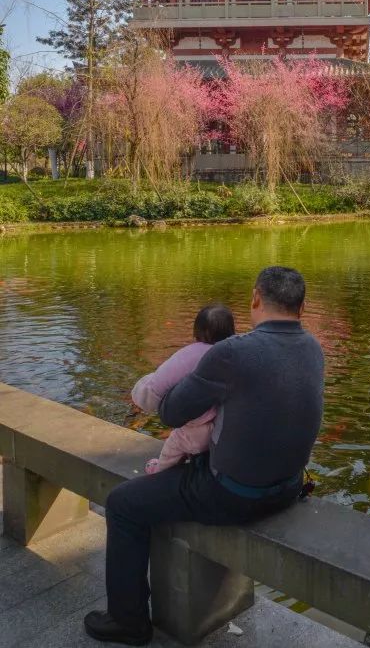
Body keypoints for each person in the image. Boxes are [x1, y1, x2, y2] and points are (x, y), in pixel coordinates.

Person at [84, 266, 324, 646]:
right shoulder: (313, 348)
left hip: (233, 496)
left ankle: (127, 621)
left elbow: (171, 413)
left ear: (256, 299)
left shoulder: (232, 353)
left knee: (123, 503)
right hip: (289, 488)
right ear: (303, 307)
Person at [131, 304, 235, 474]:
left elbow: (163, 379)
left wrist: (143, 392)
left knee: (173, 447)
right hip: (222, 430)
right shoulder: (235, 353)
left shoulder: (191, 354)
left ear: (197, 332)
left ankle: (158, 470)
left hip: (195, 430)